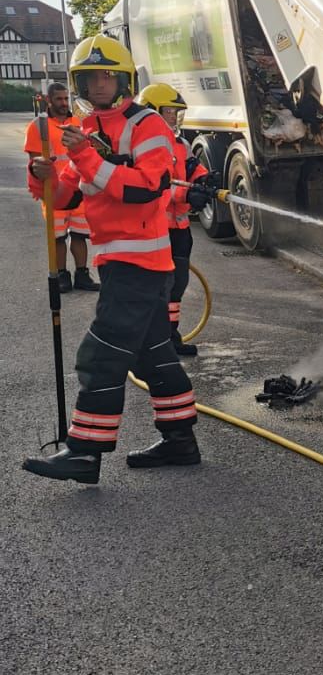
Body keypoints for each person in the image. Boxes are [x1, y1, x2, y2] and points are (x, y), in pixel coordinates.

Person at [22, 35, 201, 485]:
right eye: (90, 78)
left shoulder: (147, 126)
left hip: (141, 264)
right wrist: (41, 173)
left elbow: (146, 187)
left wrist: (83, 156)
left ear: (123, 79)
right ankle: (181, 443)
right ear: (78, 84)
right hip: (119, 262)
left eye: (107, 76)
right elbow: (64, 197)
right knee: (153, 356)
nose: (100, 86)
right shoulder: (87, 133)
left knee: (99, 357)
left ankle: (84, 452)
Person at [137, 83, 209, 357]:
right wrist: (189, 196)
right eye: (170, 112)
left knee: (177, 285)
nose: (174, 118)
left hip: (179, 230)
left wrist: (202, 179)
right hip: (156, 231)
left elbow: (191, 167)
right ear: (152, 112)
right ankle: (155, 341)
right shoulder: (145, 148)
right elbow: (156, 189)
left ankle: (170, 337)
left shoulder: (181, 144)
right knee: (159, 288)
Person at [23, 82, 96, 292]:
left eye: (66, 99)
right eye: (59, 99)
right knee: (58, 237)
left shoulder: (79, 123)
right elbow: (35, 164)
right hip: (53, 192)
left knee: (81, 235)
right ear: (49, 100)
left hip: (79, 189)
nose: (64, 103)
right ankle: (62, 275)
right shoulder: (38, 126)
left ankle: (82, 275)